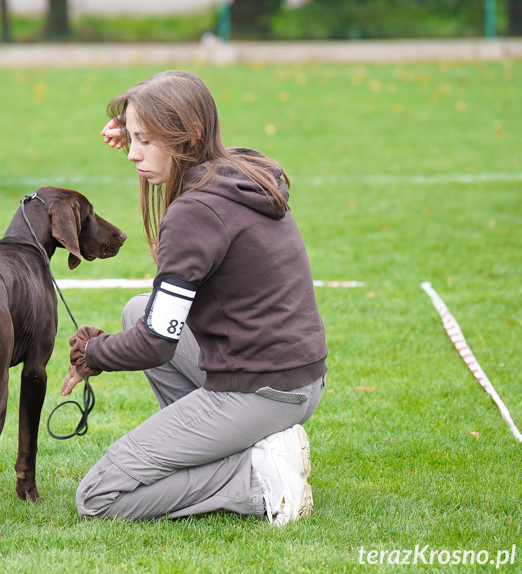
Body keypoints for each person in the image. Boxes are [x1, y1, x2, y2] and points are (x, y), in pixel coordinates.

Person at [60, 70, 328, 526]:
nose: (132, 154)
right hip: (298, 379)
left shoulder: (194, 213)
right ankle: (249, 449)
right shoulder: (240, 167)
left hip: (261, 389)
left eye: (145, 141)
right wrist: (134, 124)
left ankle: (258, 476)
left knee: (99, 497)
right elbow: (151, 324)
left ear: (189, 135)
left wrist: (94, 352)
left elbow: (156, 343)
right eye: (132, 138)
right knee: (136, 310)